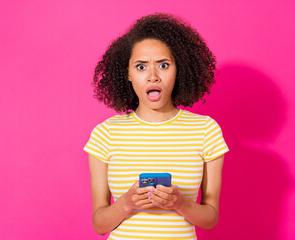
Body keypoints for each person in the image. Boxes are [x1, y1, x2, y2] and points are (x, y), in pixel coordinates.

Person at [83, 13, 229, 240]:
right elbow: (99, 224)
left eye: (163, 65)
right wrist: (126, 203)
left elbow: (210, 219)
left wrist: (179, 203)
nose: (153, 76)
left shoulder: (206, 130)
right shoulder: (106, 133)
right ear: (128, 75)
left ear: (178, 69)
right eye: (141, 67)